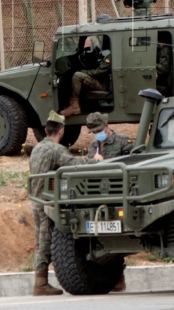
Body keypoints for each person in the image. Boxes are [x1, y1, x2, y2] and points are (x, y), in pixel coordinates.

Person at [28, 112, 103, 296]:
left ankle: (41, 281)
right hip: (47, 203)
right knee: (45, 242)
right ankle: (40, 283)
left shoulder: (38, 148)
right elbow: (74, 164)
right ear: (61, 131)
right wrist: (94, 161)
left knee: (41, 240)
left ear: (46, 130)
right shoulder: (56, 150)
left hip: (36, 201)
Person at [84, 112, 132, 292]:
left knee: (118, 235)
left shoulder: (122, 141)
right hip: (99, 195)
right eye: (94, 131)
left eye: (99, 129)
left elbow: (132, 165)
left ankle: (119, 276)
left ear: (107, 125)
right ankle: (113, 277)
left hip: (119, 194)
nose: (97, 134)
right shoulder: (93, 147)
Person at [60, 37, 111, 117]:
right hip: (100, 82)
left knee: (77, 76)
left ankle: (74, 106)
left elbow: (100, 72)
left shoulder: (109, 55)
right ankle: (76, 104)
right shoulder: (103, 53)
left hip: (104, 85)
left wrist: (83, 71)